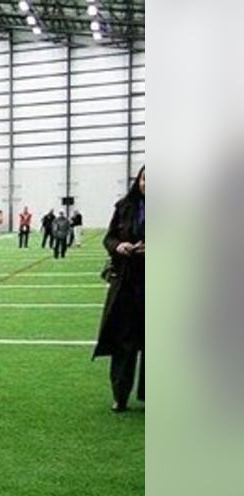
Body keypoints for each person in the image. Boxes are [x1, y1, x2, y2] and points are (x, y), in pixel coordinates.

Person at [93, 166, 145, 411]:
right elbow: (109, 238)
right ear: (139, 181)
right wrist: (119, 246)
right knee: (124, 340)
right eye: (146, 179)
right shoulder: (123, 206)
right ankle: (120, 395)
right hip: (125, 282)